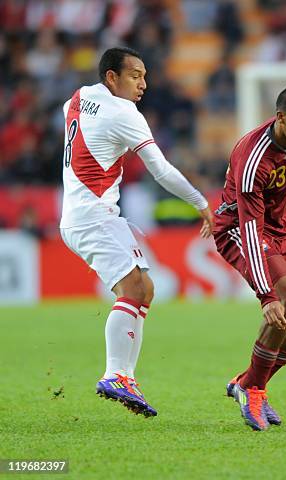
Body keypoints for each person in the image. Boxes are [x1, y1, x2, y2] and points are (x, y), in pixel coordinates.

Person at [59, 47, 213, 416]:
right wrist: (200, 202)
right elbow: (159, 170)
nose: (144, 84)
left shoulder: (79, 98)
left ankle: (126, 377)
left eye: (145, 75)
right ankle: (115, 373)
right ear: (111, 77)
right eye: (135, 76)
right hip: (92, 217)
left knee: (145, 288)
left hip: (92, 214)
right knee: (132, 289)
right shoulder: (123, 112)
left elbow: (71, 114)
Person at [213, 85, 286, 431]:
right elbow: (250, 228)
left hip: (280, 227)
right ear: (280, 118)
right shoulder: (252, 160)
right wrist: (267, 295)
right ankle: (254, 389)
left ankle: (246, 382)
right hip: (240, 230)